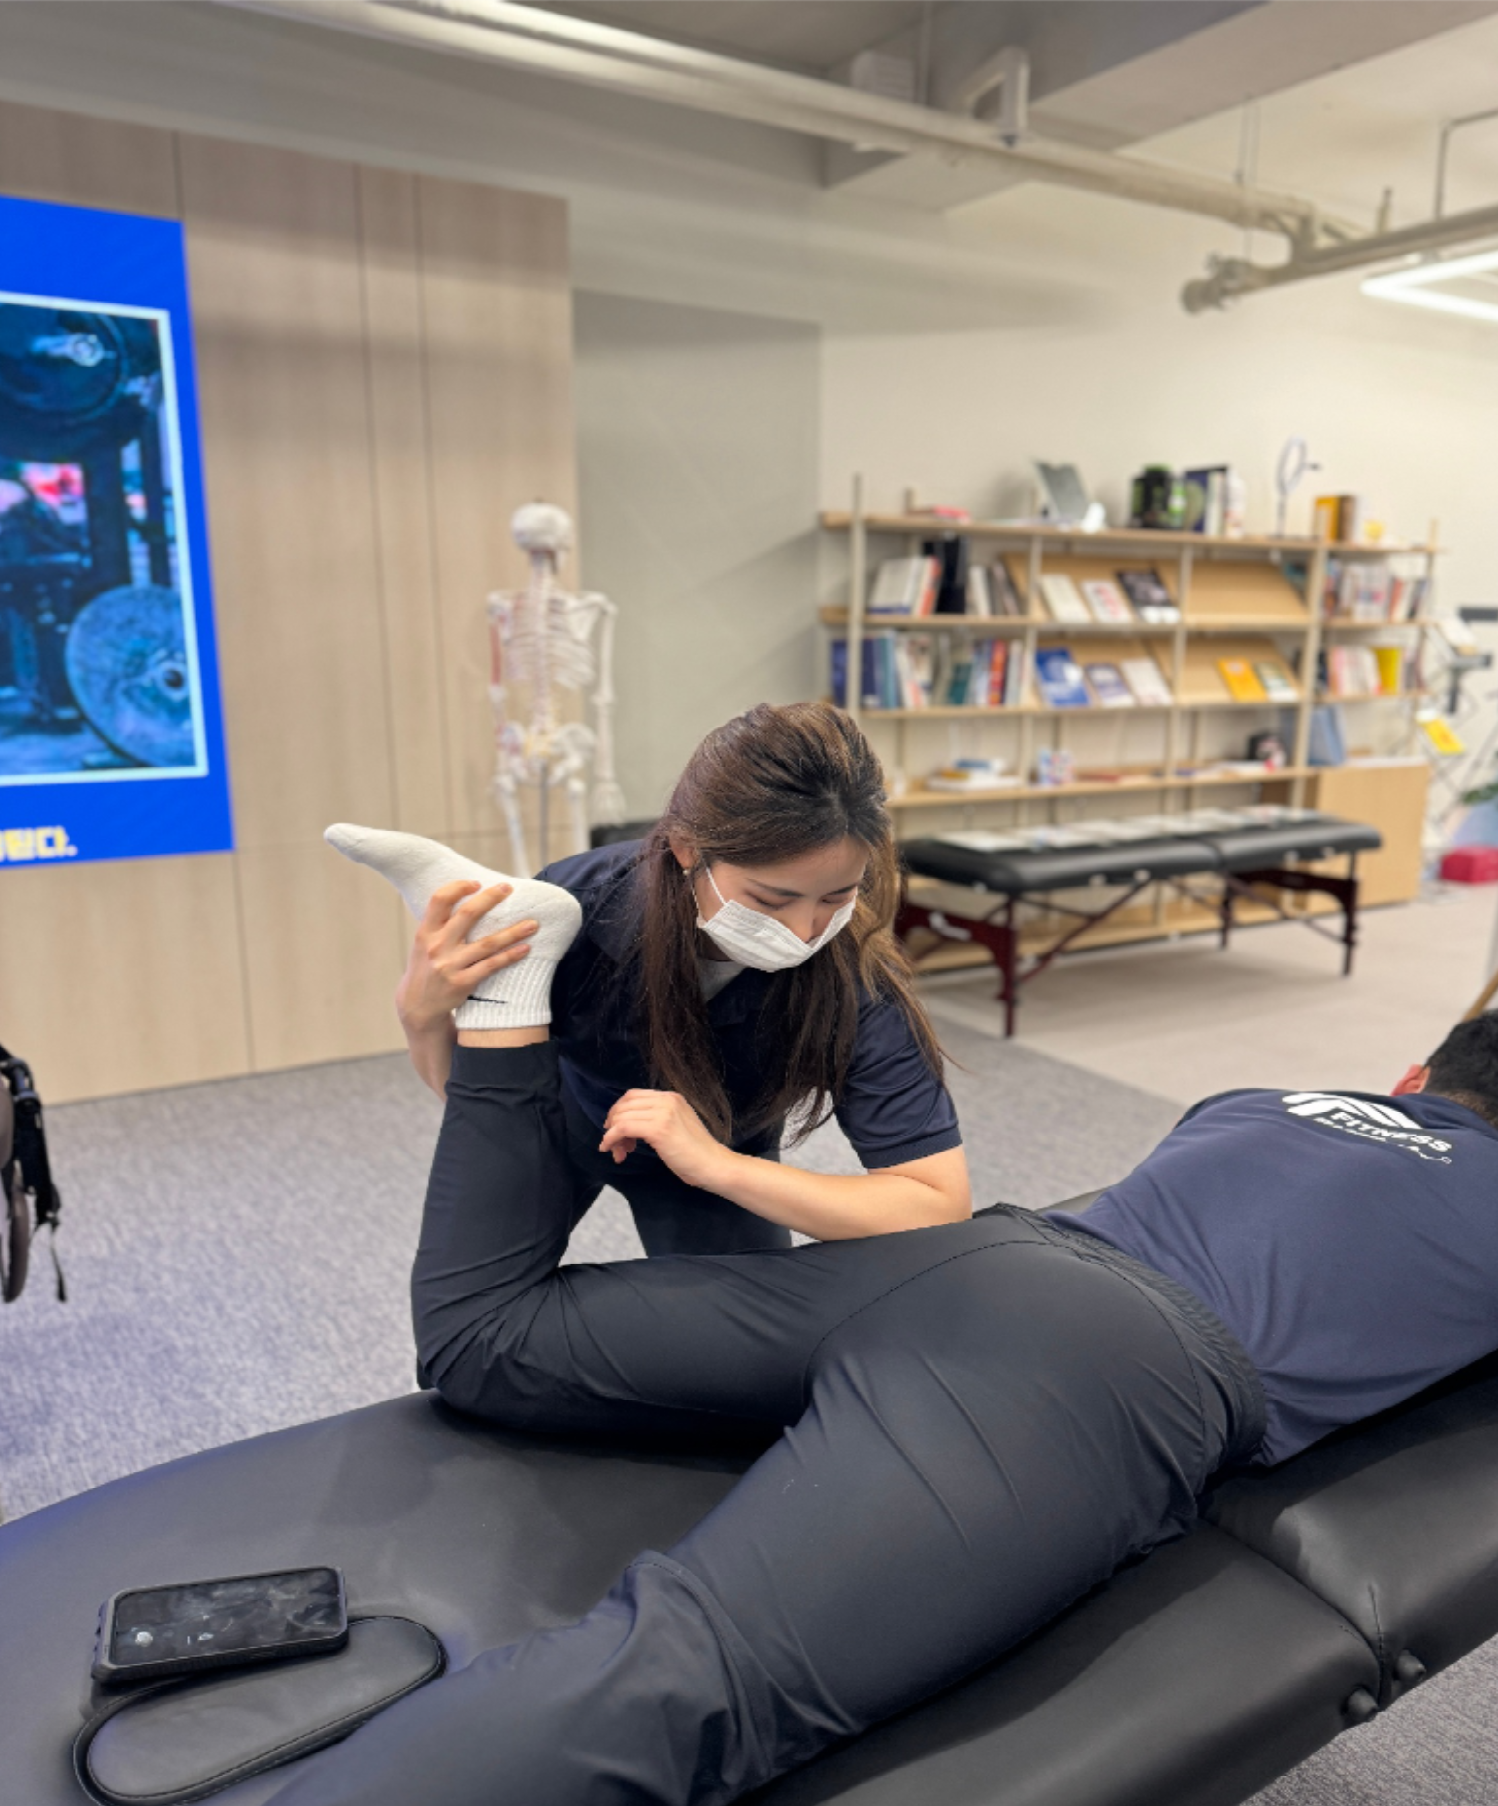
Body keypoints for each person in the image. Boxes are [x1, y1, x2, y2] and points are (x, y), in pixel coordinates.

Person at [265, 936, 1498, 1805]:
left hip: (976, 1256)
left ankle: (501, 1010)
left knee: (491, 1338)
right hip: (1111, 1371)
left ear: (1408, 1079)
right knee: (690, 1671)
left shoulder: (1261, 1100)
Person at [328, 702, 969, 1256]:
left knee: (746, 1347)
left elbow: (937, 1204)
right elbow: (472, 1107)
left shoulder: (854, 977)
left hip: (721, 1151)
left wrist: (719, 1168)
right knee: (468, 1317)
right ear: (689, 850)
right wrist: (421, 1018)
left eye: (836, 896)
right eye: (771, 901)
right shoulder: (575, 909)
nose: (805, 932)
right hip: (563, 1118)